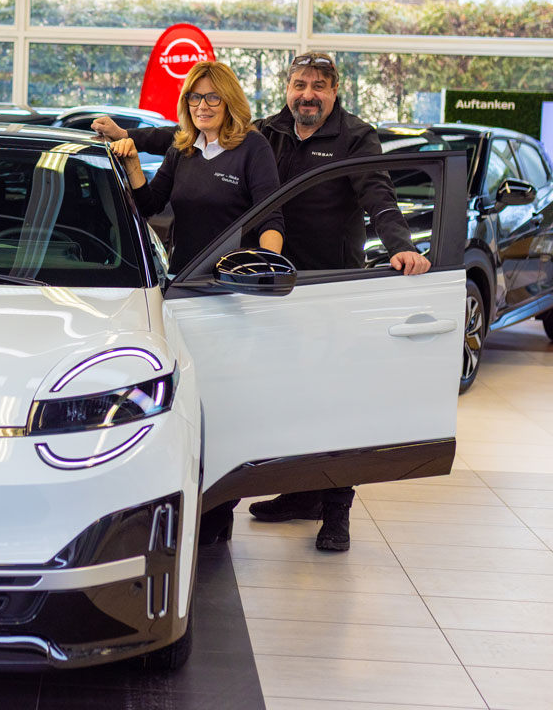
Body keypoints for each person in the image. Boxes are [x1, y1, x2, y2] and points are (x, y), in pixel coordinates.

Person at [95, 52, 431, 551]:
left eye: (318, 86)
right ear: (288, 89)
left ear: (334, 90)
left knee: (330, 400)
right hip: (261, 285)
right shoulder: (269, 132)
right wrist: (128, 135)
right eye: (300, 84)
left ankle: (335, 510)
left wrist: (401, 246)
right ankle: (297, 491)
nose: (308, 94)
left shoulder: (355, 138)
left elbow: (379, 196)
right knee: (273, 396)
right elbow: (187, 137)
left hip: (323, 286)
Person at [113, 60, 285, 275]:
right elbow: (150, 205)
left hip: (233, 281)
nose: (202, 106)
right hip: (183, 277)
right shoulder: (182, 147)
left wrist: (269, 274)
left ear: (229, 101)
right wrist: (132, 164)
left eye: (213, 97)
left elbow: (270, 219)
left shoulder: (253, 147)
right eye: (195, 97)